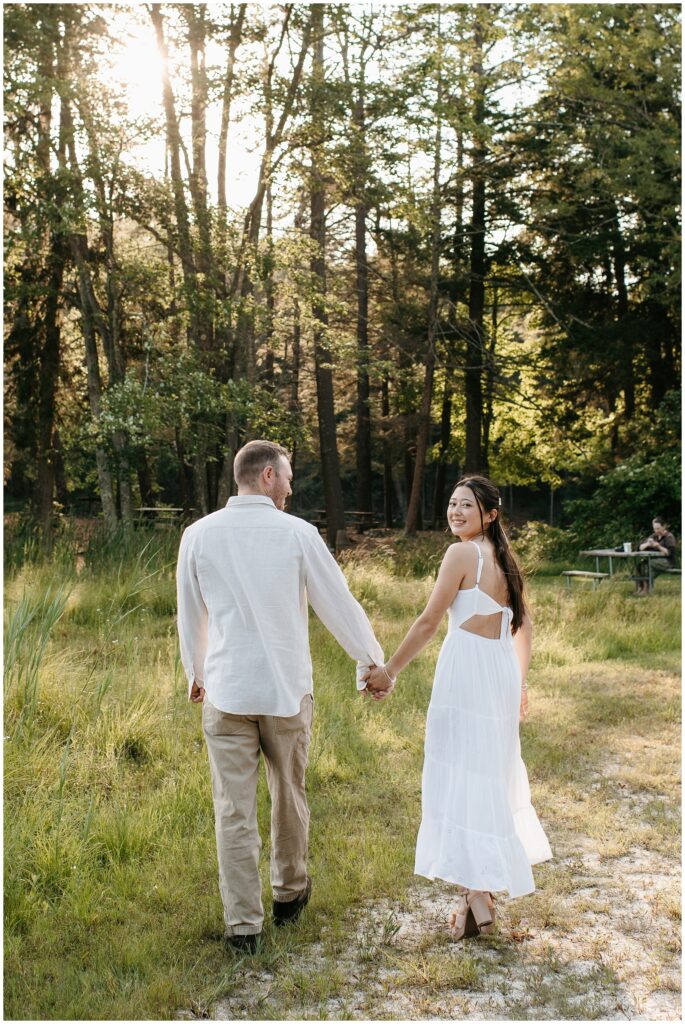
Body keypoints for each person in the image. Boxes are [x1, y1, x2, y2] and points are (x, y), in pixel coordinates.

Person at [177, 440, 383, 953]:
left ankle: (243, 926)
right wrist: (370, 660)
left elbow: (190, 612)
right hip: (287, 691)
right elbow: (337, 602)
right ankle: (289, 896)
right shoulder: (297, 534)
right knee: (289, 796)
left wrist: (195, 672)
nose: (292, 488)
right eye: (288, 477)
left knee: (233, 810)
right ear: (267, 476)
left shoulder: (198, 535)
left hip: (227, 690)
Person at [364, 475, 552, 940]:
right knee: (486, 772)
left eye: (466, 505)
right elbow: (522, 627)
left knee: (460, 772)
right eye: (451, 503)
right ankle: (476, 893)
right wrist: (521, 682)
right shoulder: (503, 559)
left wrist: (390, 670)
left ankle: (476, 893)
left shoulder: (462, 554)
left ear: (490, 514)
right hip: (500, 673)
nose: (455, 511)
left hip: (467, 671)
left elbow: (430, 621)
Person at [636, 516, 677, 594]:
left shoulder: (669, 537)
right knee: (640, 566)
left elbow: (670, 553)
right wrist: (648, 544)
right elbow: (639, 547)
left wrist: (658, 546)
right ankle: (640, 588)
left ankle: (646, 590)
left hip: (667, 562)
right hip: (654, 561)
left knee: (647, 565)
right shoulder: (653, 536)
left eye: (658, 528)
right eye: (655, 529)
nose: (656, 530)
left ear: (664, 526)